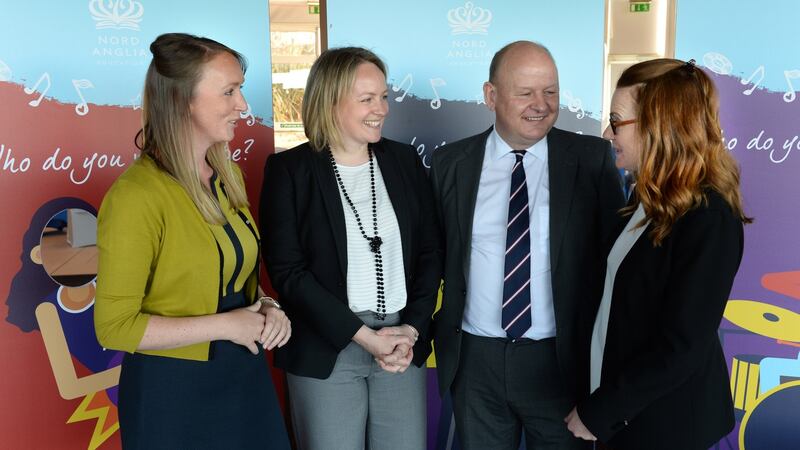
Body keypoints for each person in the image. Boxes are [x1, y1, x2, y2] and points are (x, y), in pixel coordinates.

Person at [94, 33, 291, 449]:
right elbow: (114, 328)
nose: (243, 105)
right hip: (172, 395)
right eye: (229, 92)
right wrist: (227, 325)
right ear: (183, 99)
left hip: (244, 379)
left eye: (240, 90)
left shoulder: (228, 176)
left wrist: (269, 308)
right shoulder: (135, 196)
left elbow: (231, 276)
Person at [429, 40, 626, 449]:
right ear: (491, 96)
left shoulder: (592, 159)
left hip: (561, 361)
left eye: (550, 91)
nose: (541, 104)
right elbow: (432, 255)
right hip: (475, 361)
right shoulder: (451, 163)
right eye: (525, 93)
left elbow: (616, 262)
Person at [259, 46, 442, 450]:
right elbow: (288, 272)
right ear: (330, 102)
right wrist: (362, 336)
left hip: (401, 345)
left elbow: (430, 252)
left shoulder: (404, 161)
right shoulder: (290, 170)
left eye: (384, 97)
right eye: (367, 99)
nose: (382, 109)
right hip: (326, 349)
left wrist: (411, 329)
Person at [565, 58, 750, 449]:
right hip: (623, 416)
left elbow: (681, 346)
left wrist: (602, 411)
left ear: (658, 124)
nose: (607, 132)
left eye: (616, 121)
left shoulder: (709, 217)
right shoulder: (645, 200)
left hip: (663, 425)